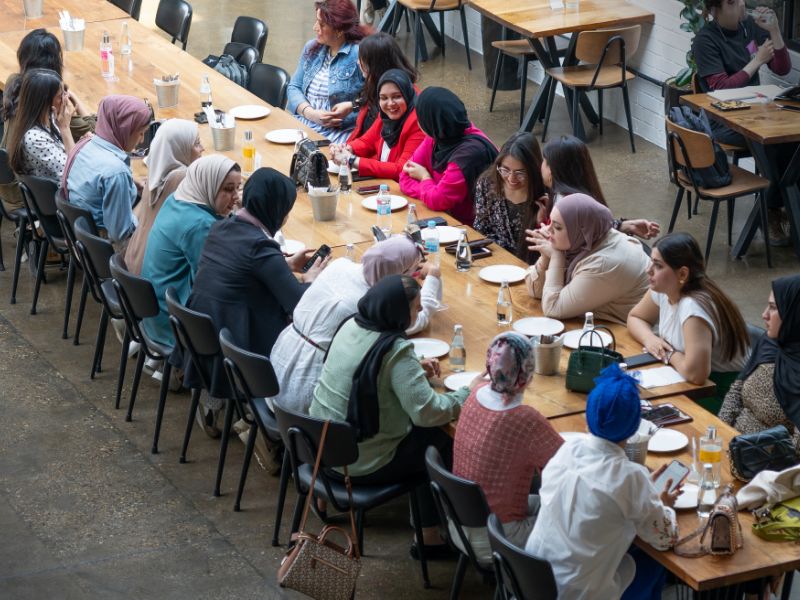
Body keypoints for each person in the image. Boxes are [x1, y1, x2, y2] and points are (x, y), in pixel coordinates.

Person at [309, 275, 479, 556]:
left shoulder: (350, 324)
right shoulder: (395, 350)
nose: (419, 313)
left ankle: (321, 501)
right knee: (437, 437)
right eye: (415, 308)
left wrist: (412, 370)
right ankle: (430, 536)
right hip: (361, 464)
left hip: (321, 452)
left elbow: (365, 375)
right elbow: (428, 412)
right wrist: (466, 393)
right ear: (398, 312)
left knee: (425, 433)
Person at [526, 364, 680, 600]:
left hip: (534, 582)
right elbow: (665, 538)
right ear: (633, 429)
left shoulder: (568, 449)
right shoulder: (629, 477)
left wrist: (643, 494)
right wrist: (664, 504)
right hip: (578, 594)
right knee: (656, 562)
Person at [180, 167, 328, 405]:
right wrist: (310, 279)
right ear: (276, 209)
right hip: (243, 354)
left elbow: (245, 269)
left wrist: (284, 264)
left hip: (206, 340)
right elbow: (299, 305)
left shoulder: (221, 227)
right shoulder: (260, 247)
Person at [270, 235, 442, 414]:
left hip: (276, 374)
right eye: (411, 272)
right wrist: (432, 277)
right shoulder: (371, 304)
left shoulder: (340, 265)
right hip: (305, 398)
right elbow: (418, 320)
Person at [452, 332, 563, 564]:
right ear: (528, 376)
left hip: (458, 525)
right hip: (499, 539)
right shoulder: (525, 419)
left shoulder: (473, 395)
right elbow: (568, 467)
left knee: (544, 500)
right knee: (573, 516)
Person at [692, 0, 791, 242]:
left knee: (789, 142)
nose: (741, 5)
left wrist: (775, 31)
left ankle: (787, 206)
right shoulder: (705, 40)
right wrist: (757, 61)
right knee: (768, 143)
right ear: (716, 9)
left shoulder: (748, 26)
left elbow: (782, 69)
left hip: (757, 111)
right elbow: (720, 86)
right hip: (722, 120)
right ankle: (771, 212)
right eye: (733, 2)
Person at [627, 232, 750, 411]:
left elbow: (697, 374)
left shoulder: (693, 308)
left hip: (723, 392)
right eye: (651, 261)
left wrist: (668, 354)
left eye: (658, 265)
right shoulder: (664, 289)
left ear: (682, 274)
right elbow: (635, 317)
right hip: (686, 379)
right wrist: (650, 339)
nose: (649, 270)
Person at [141, 155, 241, 350]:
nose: (236, 197)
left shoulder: (178, 198)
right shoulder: (201, 225)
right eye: (229, 189)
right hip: (173, 326)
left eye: (238, 188)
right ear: (209, 185)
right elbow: (212, 285)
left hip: (155, 312)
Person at [1, 29, 93, 211]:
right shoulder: (38, 129)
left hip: (12, 184)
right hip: (36, 199)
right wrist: (71, 105)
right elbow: (94, 128)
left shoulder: (16, 85)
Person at [525, 193, 650, 324]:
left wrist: (556, 256)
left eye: (557, 227)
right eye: (550, 222)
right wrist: (546, 257)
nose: (548, 229)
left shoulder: (603, 262)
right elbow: (535, 291)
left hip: (633, 337)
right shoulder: (586, 238)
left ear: (582, 231)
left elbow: (552, 309)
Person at [719, 275, 800, 445]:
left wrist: (750, 454)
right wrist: (718, 434)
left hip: (770, 463)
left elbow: (795, 448)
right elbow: (735, 393)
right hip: (733, 441)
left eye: (773, 308)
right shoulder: (770, 343)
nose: (764, 315)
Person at [399, 87, 497, 225]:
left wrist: (425, 178)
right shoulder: (437, 136)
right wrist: (431, 191)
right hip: (447, 220)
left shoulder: (468, 154)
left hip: (473, 229)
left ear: (430, 121)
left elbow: (439, 199)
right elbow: (404, 176)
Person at [63, 96, 152, 246]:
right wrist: (146, 199)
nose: (142, 140)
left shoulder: (84, 144)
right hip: (106, 249)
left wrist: (129, 181)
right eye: (141, 132)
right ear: (125, 129)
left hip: (81, 239)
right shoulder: (116, 172)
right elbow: (122, 234)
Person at [537, 135, 660, 240]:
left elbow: (557, 250)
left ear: (552, 170)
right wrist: (627, 226)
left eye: (544, 160)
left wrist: (540, 224)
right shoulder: (580, 196)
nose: (541, 165)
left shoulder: (565, 205)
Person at [124, 119, 204, 275]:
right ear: (180, 148)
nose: (202, 148)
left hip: (133, 260)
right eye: (196, 144)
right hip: (154, 274)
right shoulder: (183, 180)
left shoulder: (156, 171)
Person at [286, 0, 369, 143]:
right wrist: (310, 113)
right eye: (316, 21)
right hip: (304, 123)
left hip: (339, 133)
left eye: (322, 24)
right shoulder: (311, 48)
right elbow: (294, 87)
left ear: (339, 30)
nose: (314, 27)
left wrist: (352, 106)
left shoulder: (359, 54)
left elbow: (377, 98)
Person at [329, 69, 423, 181]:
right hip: (384, 184)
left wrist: (351, 160)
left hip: (402, 190)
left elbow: (402, 169)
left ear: (407, 94)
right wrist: (346, 149)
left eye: (397, 96)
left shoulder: (418, 123)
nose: (390, 104)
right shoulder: (385, 115)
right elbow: (367, 141)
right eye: (384, 98)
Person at [329, 32, 417, 143]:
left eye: (361, 59)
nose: (358, 62)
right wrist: (353, 105)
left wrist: (351, 157)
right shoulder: (386, 86)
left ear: (372, 66)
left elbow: (372, 142)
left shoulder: (390, 106)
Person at [473, 132, 548, 262]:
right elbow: (480, 229)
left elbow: (550, 246)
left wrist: (542, 223)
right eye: (505, 170)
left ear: (533, 169)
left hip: (532, 265)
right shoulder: (487, 183)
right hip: (494, 260)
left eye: (520, 172)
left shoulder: (545, 193)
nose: (511, 178)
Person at [7, 69, 74, 180]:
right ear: (45, 102)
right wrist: (65, 128)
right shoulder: (34, 138)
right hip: (63, 194)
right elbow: (75, 171)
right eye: (60, 95)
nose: (65, 98)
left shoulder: (50, 118)